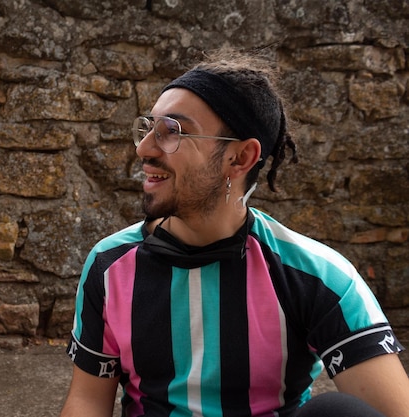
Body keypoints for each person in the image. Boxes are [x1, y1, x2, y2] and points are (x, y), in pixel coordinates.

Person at [59, 48, 409, 417]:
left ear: (240, 158)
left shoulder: (316, 276)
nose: (143, 149)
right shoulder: (110, 265)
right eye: (147, 129)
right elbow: (87, 401)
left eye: (171, 132)